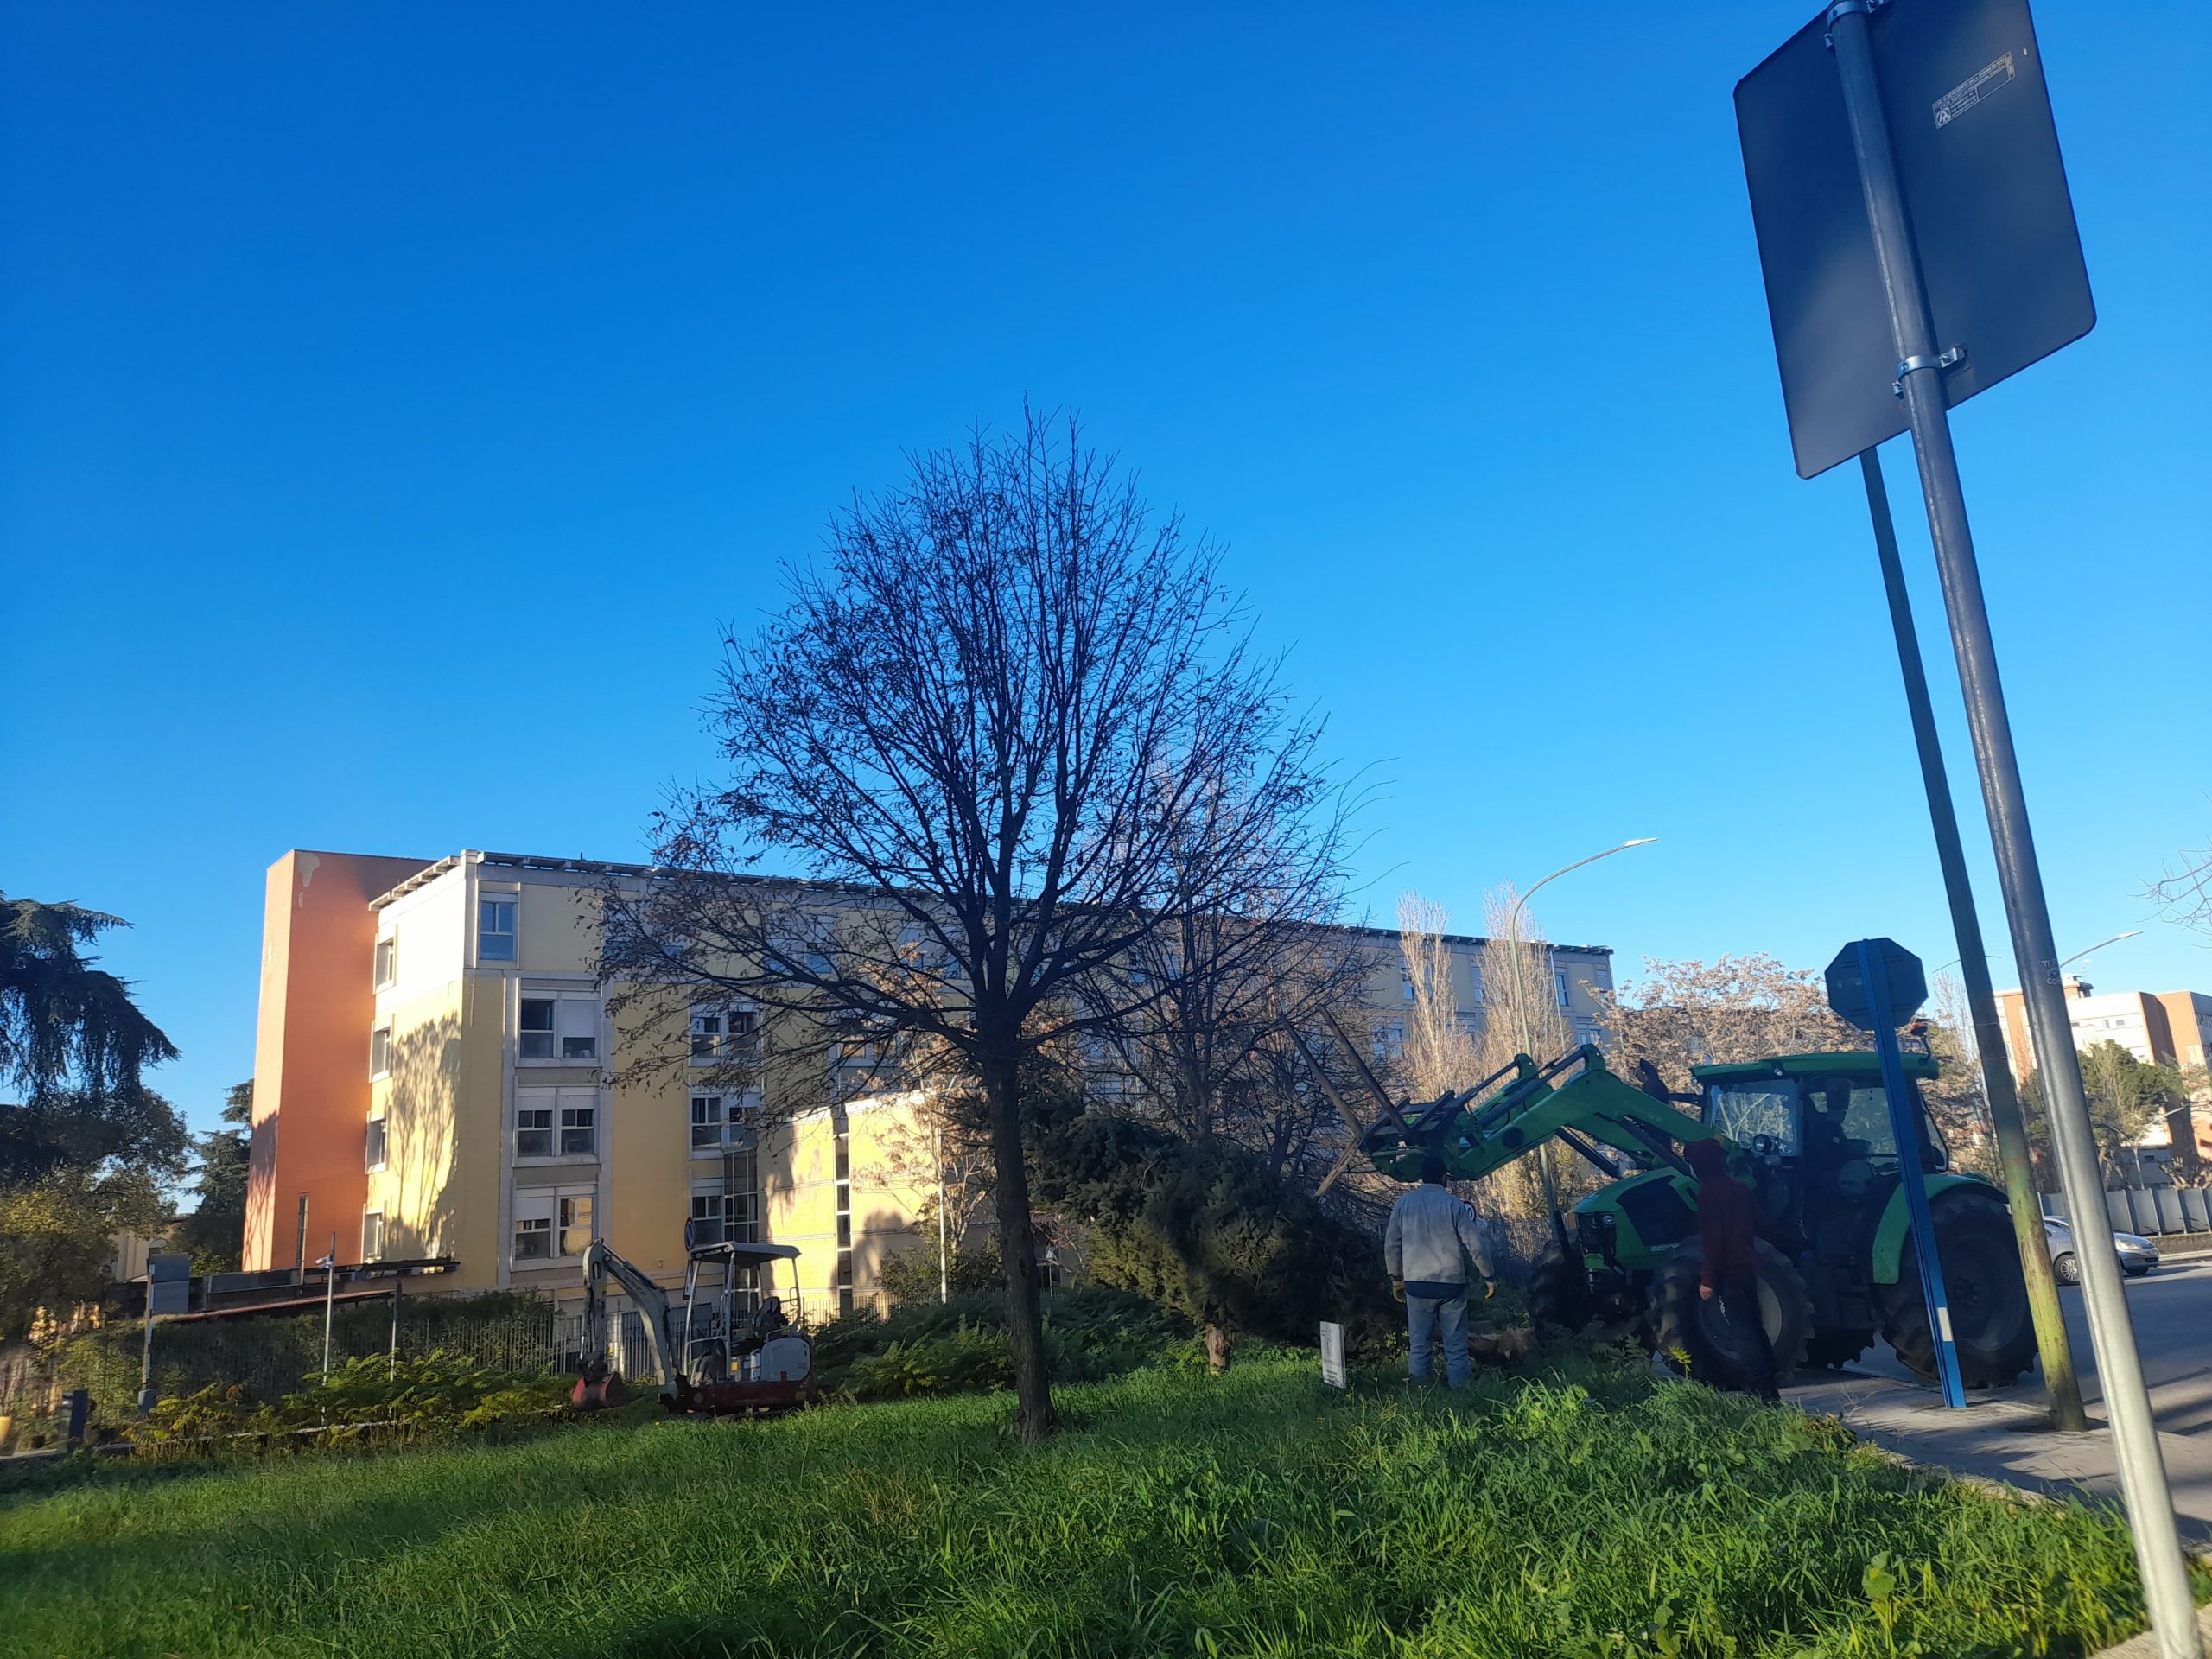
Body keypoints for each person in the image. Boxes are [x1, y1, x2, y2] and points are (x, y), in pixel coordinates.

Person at [1384, 1149, 1496, 1388]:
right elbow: (1475, 1245)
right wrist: (1489, 1277)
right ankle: (1461, 1396)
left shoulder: (1404, 1204)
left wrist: (1396, 1278)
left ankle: (1421, 1396)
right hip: (1451, 1286)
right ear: (1443, 1177)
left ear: (1422, 1177)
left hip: (1417, 1285)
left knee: (1419, 1345)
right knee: (1456, 1347)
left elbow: (1392, 1244)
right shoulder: (1453, 1204)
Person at [1684, 1136, 1779, 1402]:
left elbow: (1714, 1240)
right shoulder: (1739, 1188)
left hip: (1727, 1272)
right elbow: (1762, 1222)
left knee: (1741, 1332)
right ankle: (1770, 1383)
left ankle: (1759, 1390)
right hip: (1748, 1269)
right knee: (1755, 1327)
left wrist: (1707, 1279)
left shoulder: (1708, 1194)